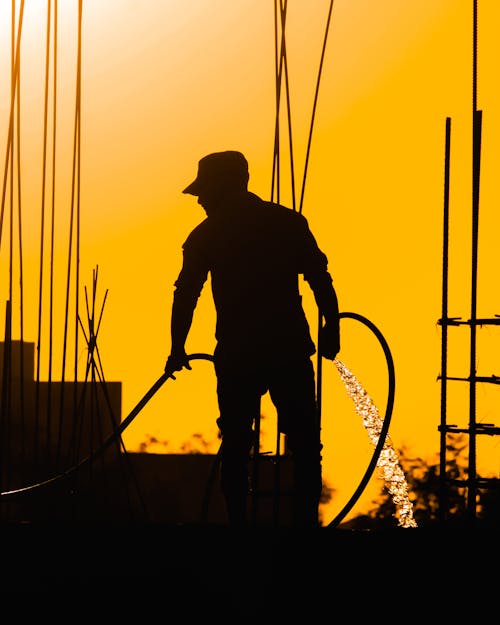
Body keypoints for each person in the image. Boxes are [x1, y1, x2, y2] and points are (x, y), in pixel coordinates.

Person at [164, 150, 340, 528]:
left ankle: (241, 526)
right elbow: (319, 278)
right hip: (285, 348)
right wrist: (331, 326)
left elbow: (187, 293)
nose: (199, 199)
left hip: (243, 353)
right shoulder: (286, 222)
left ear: (225, 188)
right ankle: (303, 523)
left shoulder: (207, 235)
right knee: (304, 443)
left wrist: (177, 347)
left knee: (238, 444)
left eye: (205, 191)